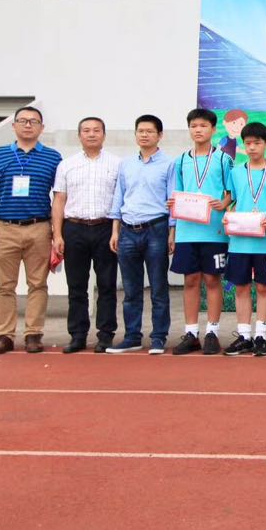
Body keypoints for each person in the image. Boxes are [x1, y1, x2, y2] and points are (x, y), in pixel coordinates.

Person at [0, 103, 63, 354]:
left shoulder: (53, 157)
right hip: (5, 227)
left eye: (33, 121)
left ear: (42, 128)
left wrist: (56, 232)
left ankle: (33, 334)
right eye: (23, 121)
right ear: (14, 125)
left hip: (39, 227)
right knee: (4, 285)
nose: (28, 125)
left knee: (38, 284)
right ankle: (4, 335)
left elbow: (59, 197)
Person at [51, 117, 120, 354]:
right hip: (74, 228)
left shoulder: (117, 164)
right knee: (76, 285)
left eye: (96, 130)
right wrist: (57, 235)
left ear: (104, 135)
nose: (91, 134)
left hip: (105, 228)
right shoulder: (66, 165)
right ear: (79, 135)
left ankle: (105, 335)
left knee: (107, 285)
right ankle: (77, 335)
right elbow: (59, 200)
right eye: (86, 130)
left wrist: (116, 231)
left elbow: (120, 200)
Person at [167, 108, 233, 356]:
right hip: (187, 231)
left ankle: (212, 332)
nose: (198, 130)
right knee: (191, 280)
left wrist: (224, 204)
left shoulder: (224, 159)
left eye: (203, 126)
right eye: (194, 126)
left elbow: (231, 193)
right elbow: (178, 192)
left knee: (213, 280)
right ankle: (191, 333)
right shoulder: (181, 160)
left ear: (213, 130)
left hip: (214, 231)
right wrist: (173, 215)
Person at [107, 114, 174, 355]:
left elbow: (172, 200)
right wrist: (115, 230)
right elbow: (119, 196)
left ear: (160, 135)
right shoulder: (126, 164)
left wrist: (172, 232)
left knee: (158, 288)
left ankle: (158, 337)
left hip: (156, 229)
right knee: (130, 290)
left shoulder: (169, 164)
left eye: (149, 131)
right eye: (140, 131)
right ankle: (132, 337)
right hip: (127, 230)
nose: (144, 135)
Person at [222, 122, 266, 357]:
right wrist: (227, 215)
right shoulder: (236, 172)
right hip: (240, 241)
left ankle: (261, 336)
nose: (252, 147)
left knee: (263, 287)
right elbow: (232, 201)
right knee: (241, 287)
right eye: (248, 143)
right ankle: (244, 336)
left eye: (257, 143)